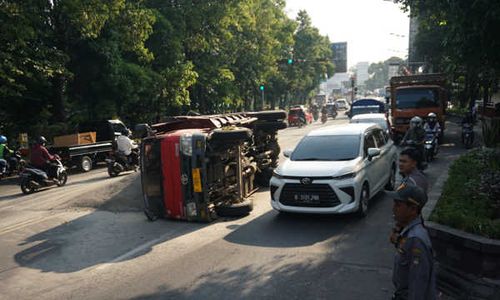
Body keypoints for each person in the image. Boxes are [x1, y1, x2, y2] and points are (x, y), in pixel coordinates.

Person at [388, 184, 436, 300]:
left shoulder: (416, 240)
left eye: (398, 205)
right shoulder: (407, 232)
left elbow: (418, 284)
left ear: (413, 209)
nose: (393, 208)